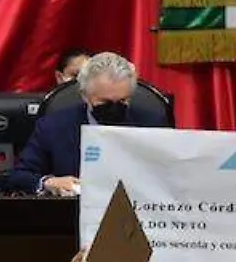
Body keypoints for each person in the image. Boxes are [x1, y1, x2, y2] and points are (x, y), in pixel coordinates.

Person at [10, 51, 172, 195]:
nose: (114, 108)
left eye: (123, 101)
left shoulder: (152, 124)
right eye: (104, 102)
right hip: (72, 213)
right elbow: (20, 176)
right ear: (85, 95)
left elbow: (171, 176)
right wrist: (48, 183)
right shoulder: (53, 127)